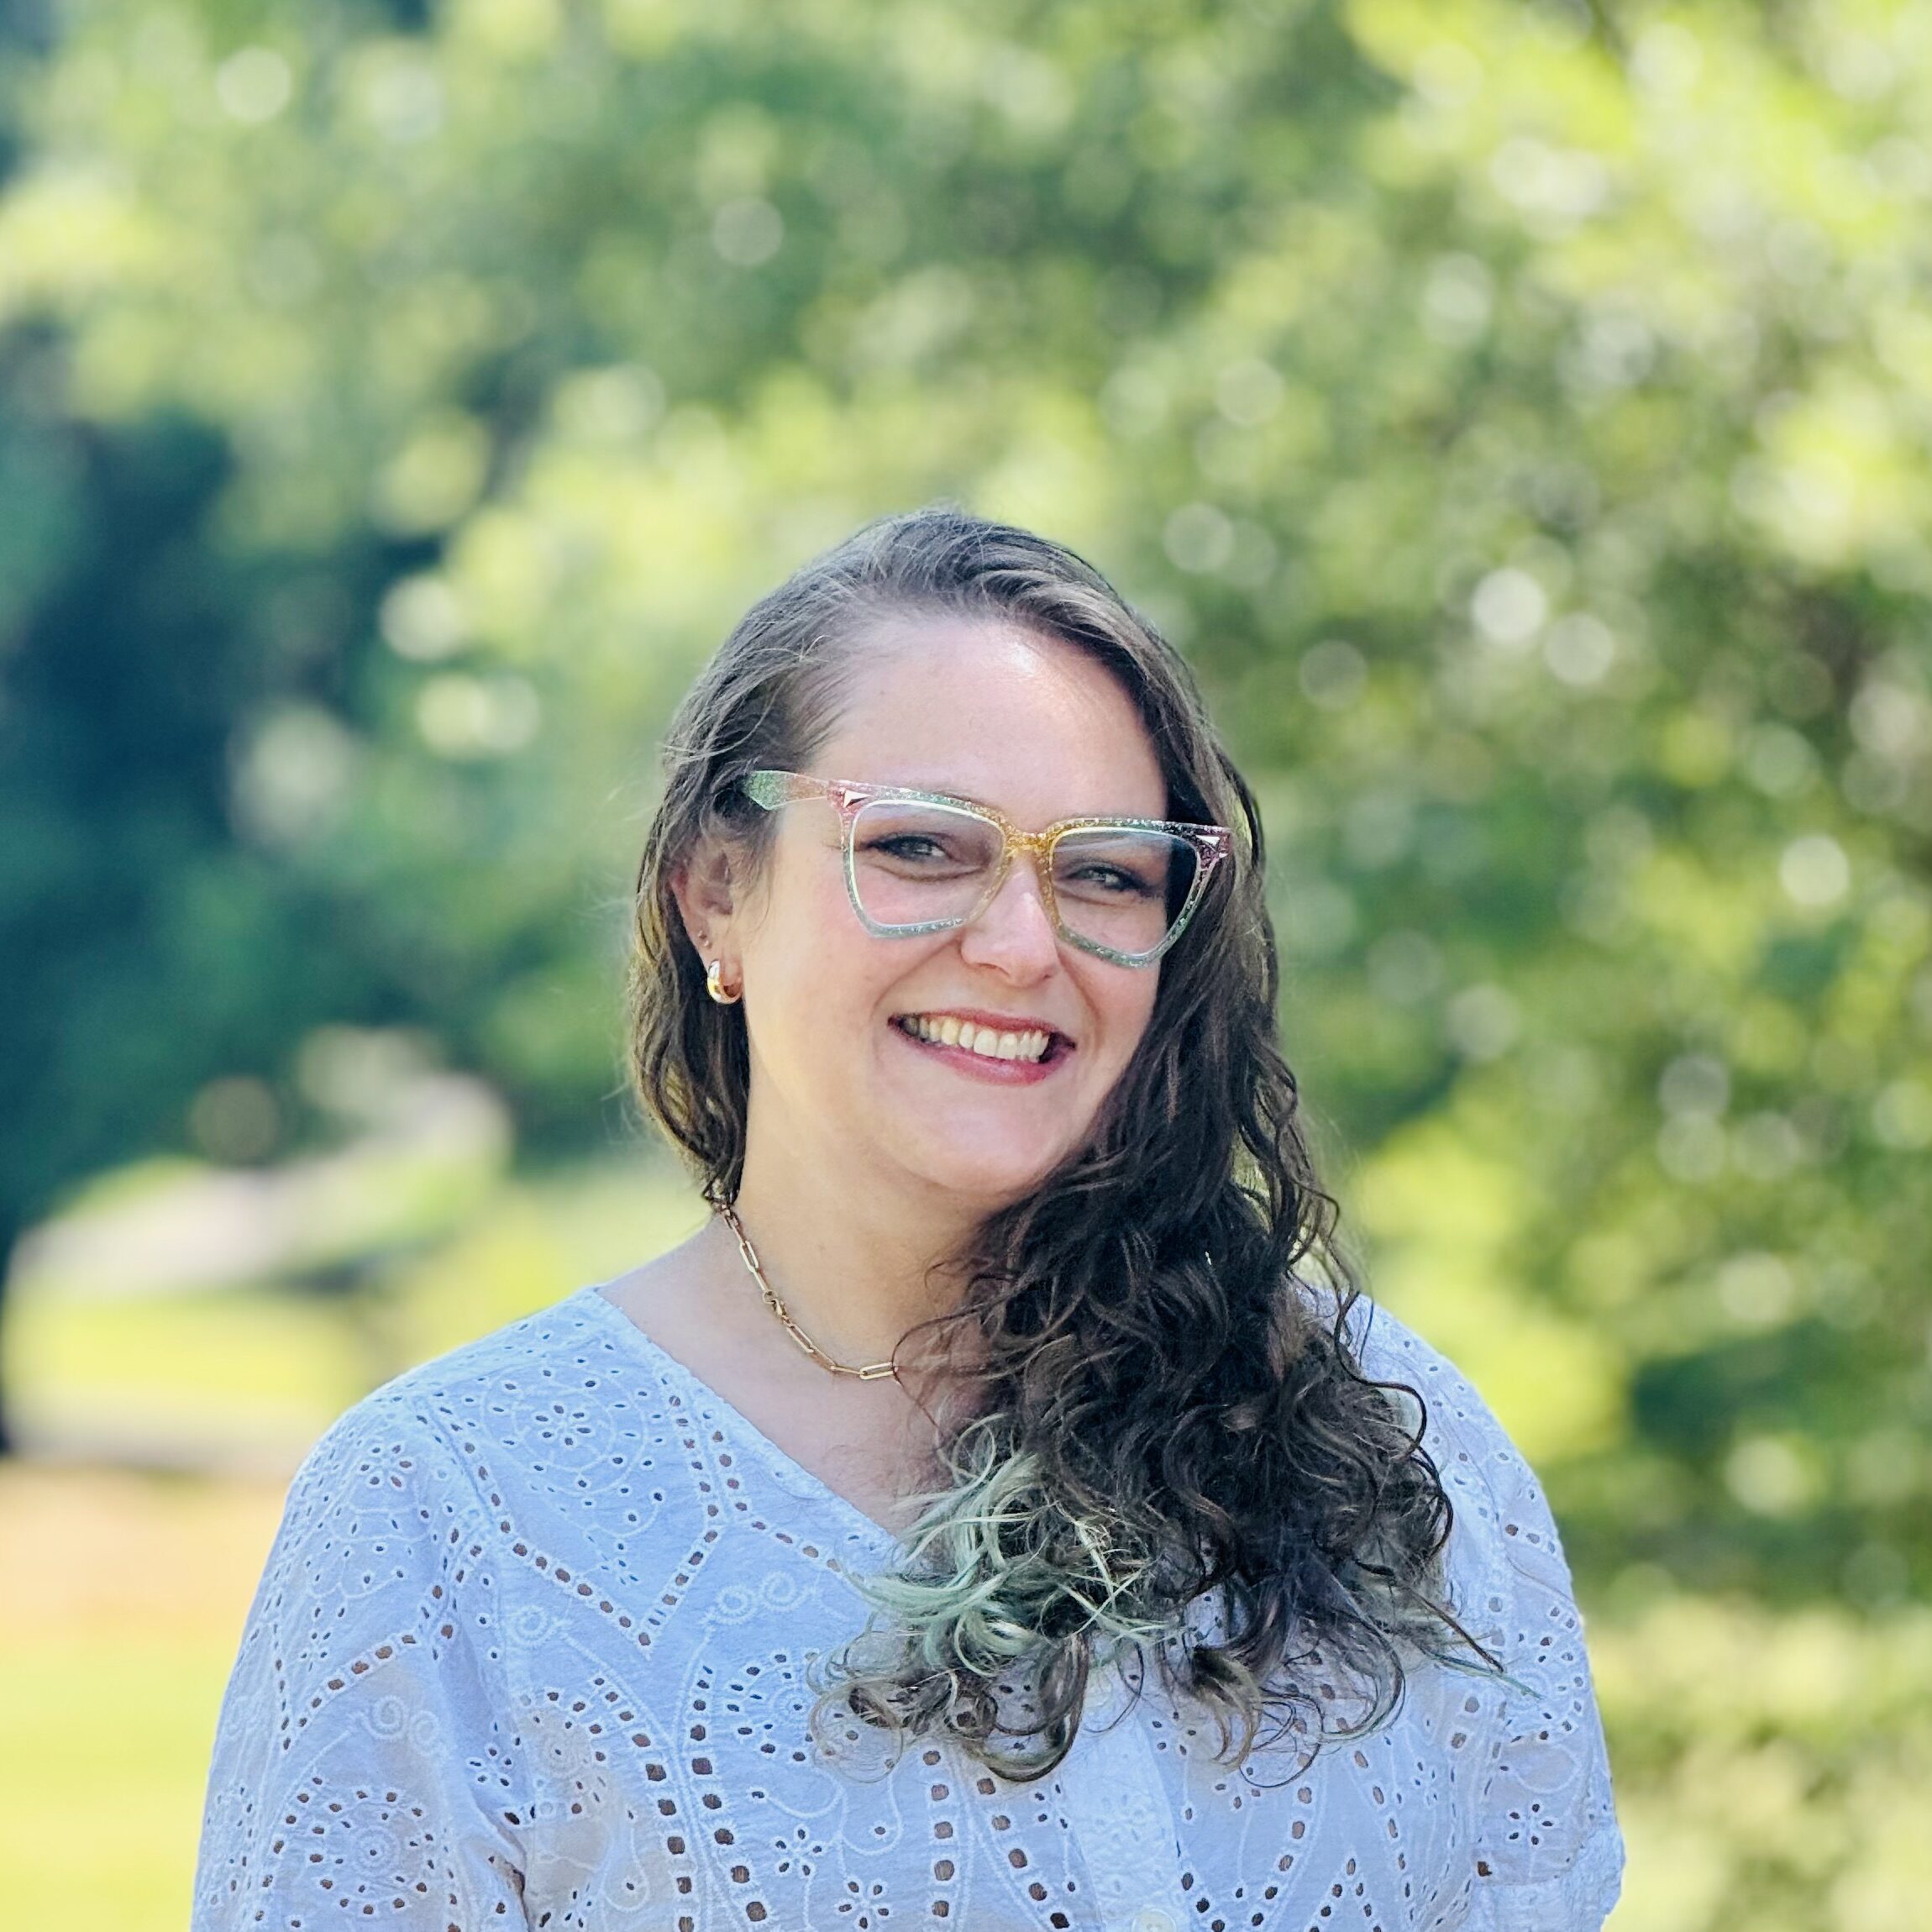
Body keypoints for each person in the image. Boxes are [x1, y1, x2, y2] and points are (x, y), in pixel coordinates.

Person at [194, 509, 1623, 1929]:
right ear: (716, 899)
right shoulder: (451, 1520)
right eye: (925, 849)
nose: (1020, 944)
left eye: (1104, 871)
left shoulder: (1387, 1450)